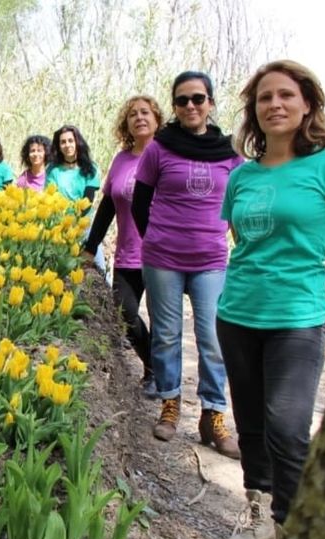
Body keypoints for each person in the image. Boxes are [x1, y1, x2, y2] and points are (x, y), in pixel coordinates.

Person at [218, 60, 325, 539]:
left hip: (297, 322)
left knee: (287, 428)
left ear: (307, 104)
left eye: (286, 95)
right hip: (238, 314)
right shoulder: (241, 177)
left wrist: (317, 297)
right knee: (253, 424)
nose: (275, 105)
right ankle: (259, 511)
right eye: (265, 98)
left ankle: (294, 534)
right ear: (254, 111)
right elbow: (244, 242)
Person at [131, 70, 243, 458]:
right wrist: (157, 238)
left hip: (211, 260)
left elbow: (240, 204)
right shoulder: (159, 149)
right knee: (166, 334)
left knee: (213, 339)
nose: (191, 106)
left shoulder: (231, 152)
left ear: (210, 103)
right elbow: (140, 201)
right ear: (175, 107)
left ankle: (213, 415)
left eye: (198, 98)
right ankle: (170, 403)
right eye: (182, 100)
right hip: (163, 258)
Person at [82, 96, 165, 398]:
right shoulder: (121, 159)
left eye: (145, 113)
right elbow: (107, 206)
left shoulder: (167, 156)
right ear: (126, 123)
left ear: (157, 119)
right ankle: (154, 364)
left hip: (161, 255)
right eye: (132, 114)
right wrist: (91, 247)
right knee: (124, 313)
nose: (139, 117)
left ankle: (156, 376)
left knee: (161, 320)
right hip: (128, 253)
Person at [48, 124, 105, 276]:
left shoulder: (90, 169)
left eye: (70, 141)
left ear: (77, 142)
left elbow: (88, 200)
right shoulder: (53, 170)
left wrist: (76, 223)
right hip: (60, 225)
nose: (67, 145)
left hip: (84, 225)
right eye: (63, 142)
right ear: (58, 146)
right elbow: (51, 197)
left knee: (98, 266)